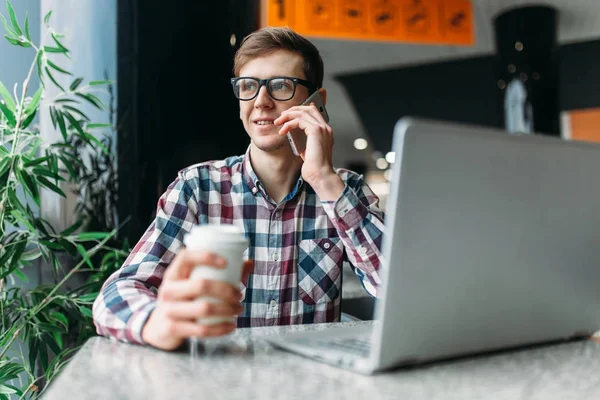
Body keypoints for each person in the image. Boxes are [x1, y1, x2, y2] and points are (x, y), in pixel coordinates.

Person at [92, 26, 385, 351]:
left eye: (280, 85)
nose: (261, 102)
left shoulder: (346, 190)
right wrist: (155, 322)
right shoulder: (197, 188)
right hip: (218, 380)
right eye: (248, 86)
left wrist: (324, 180)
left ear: (317, 100)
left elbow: (398, 289)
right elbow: (114, 295)